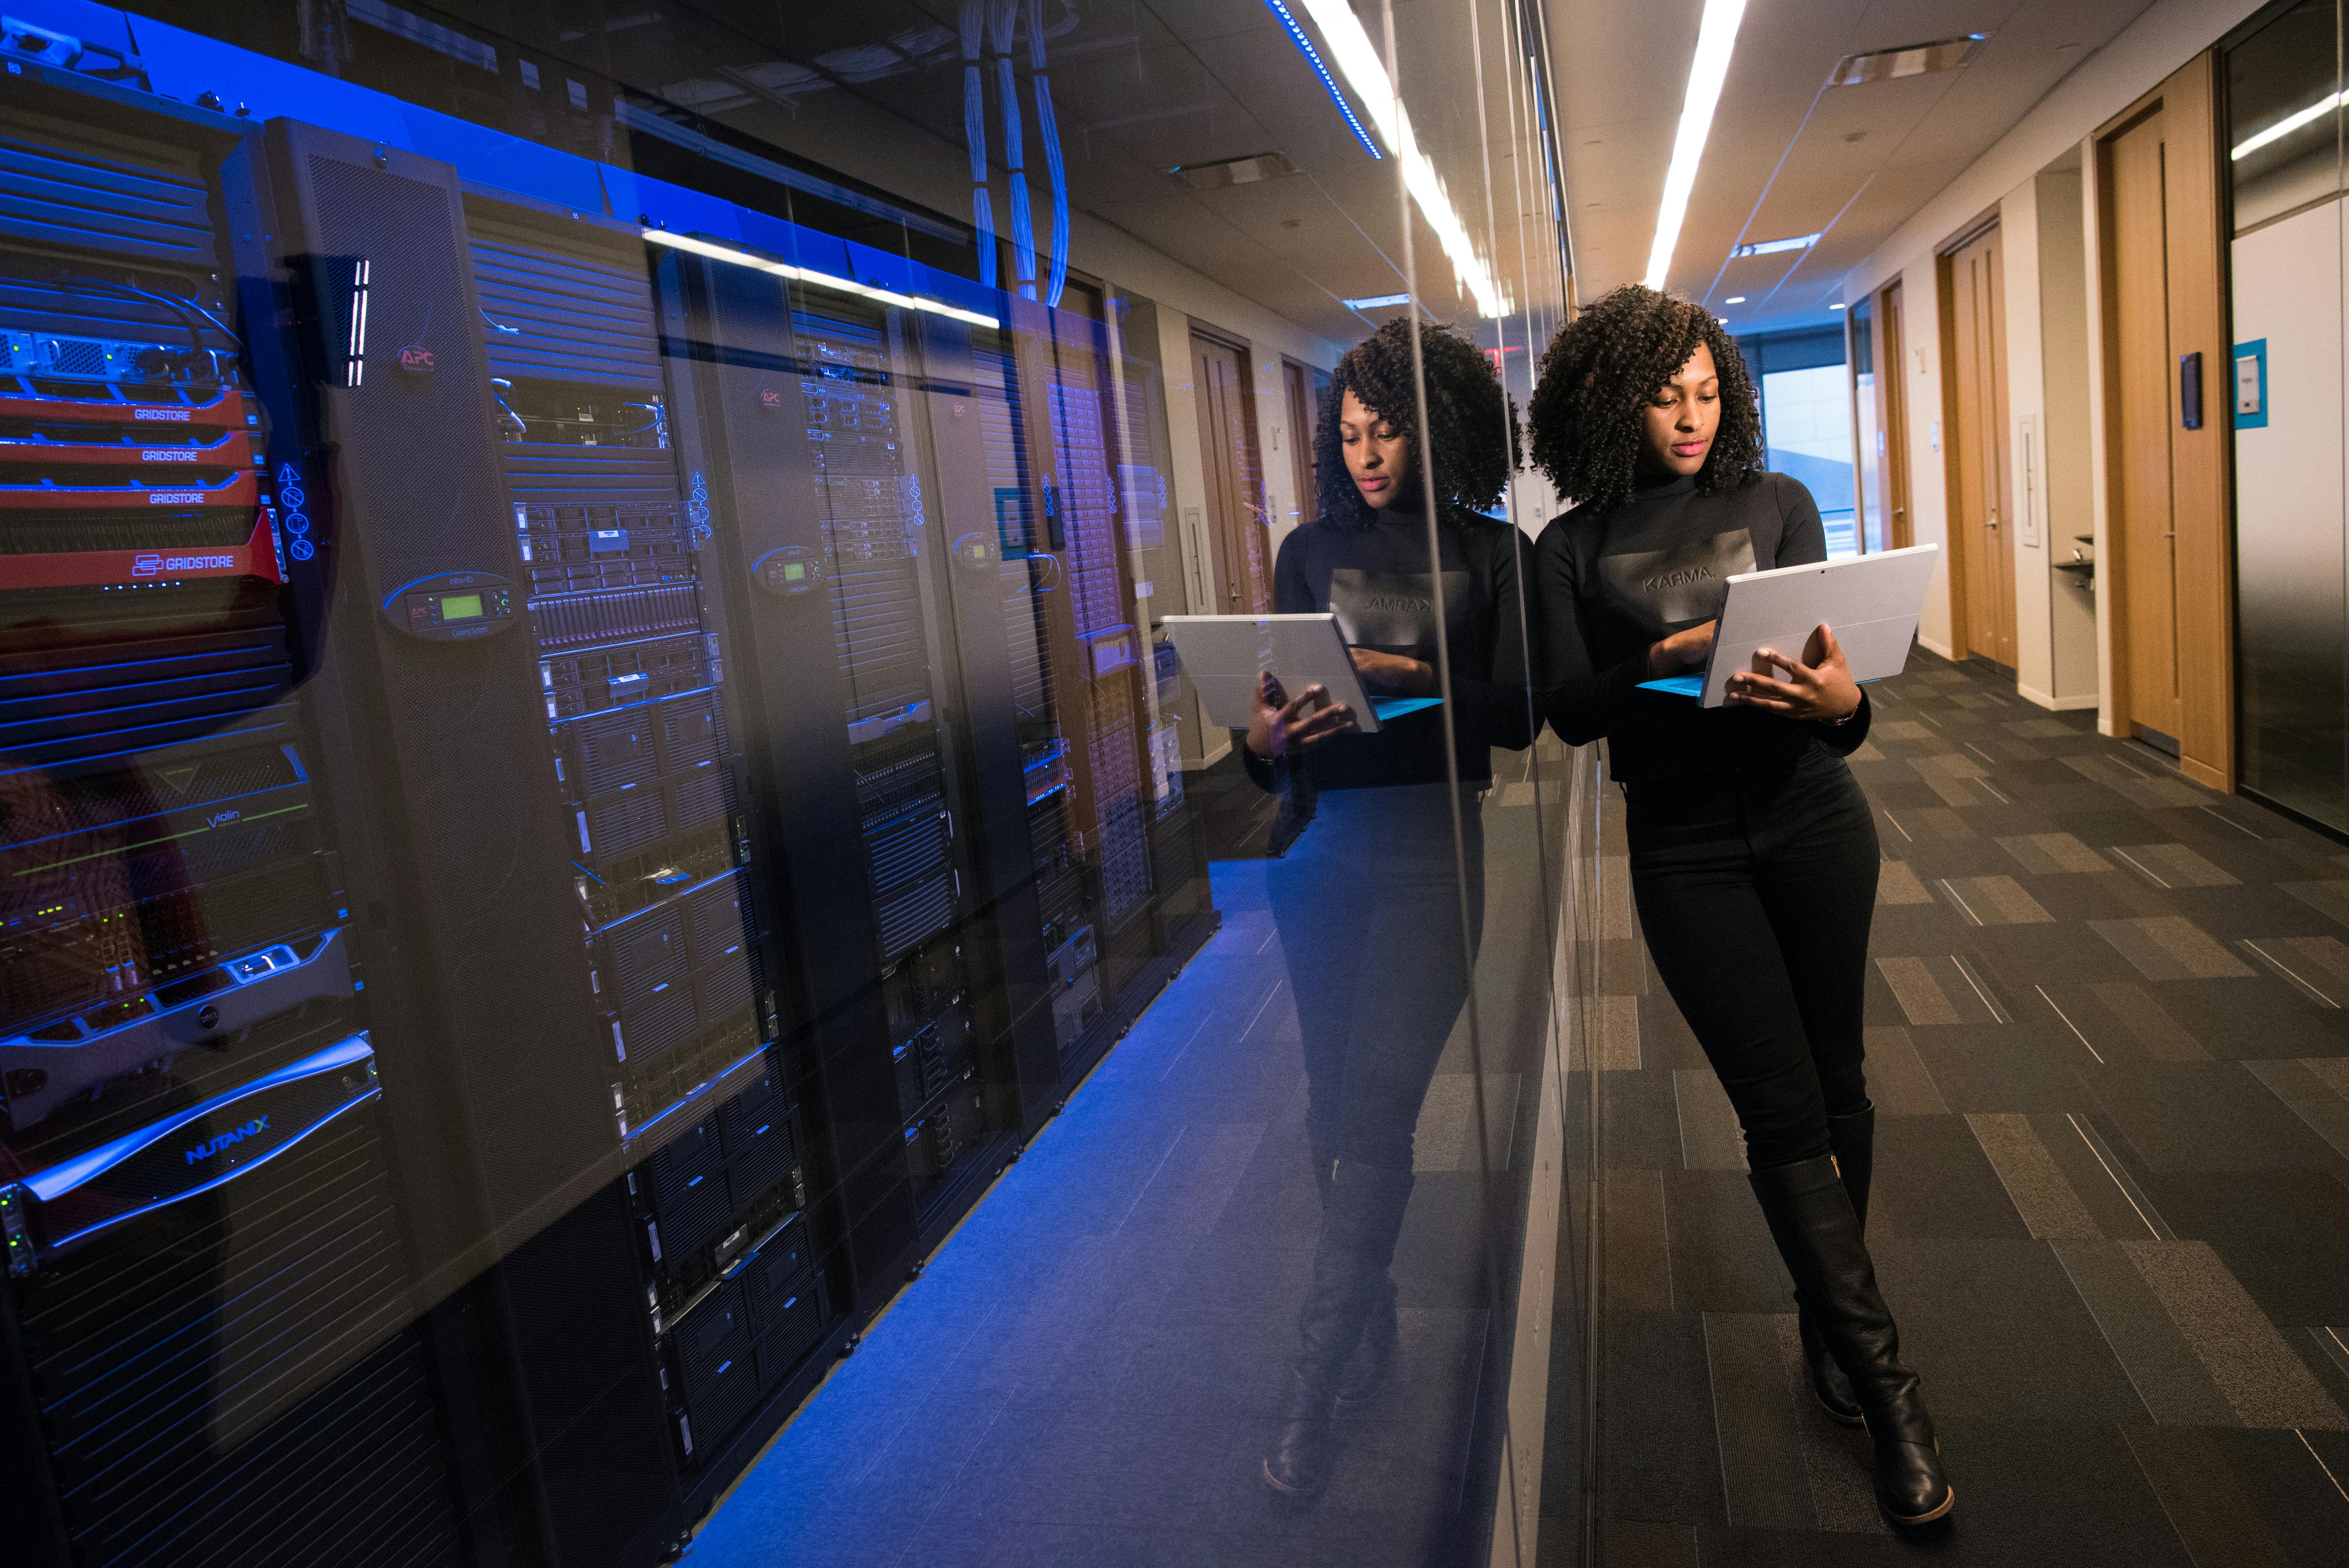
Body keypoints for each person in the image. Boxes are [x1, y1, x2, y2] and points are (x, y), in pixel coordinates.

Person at [1526, 285, 1953, 1527]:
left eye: (1710, 392)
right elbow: (1567, 707)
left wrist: (1846, 707)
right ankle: (1889, 1394)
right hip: (1685, 847)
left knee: (1841, 1085)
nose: (1694, 416)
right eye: (1667, 396)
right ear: (1615, 400)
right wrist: (1660, 661)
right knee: (1778, 1115)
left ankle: (1832, 1324)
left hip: (1815, 816)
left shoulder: (1779, 504)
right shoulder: (1574, 544)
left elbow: (1842, 690)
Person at [1240, 317, 1531, 1499]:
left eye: (1388, 428)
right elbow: (1272, 746)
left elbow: (1518, 720)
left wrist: (1413, 677)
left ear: (1437, 422)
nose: (1366, 453)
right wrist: (1263, 740)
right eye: (1350, 433)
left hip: (1432, 861)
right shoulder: (1306, 550)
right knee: (1328, 1110)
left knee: (1377, 1113)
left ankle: (1312, 1387)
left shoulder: (1491, 550)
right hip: (1323, 853)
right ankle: (1370, 1325)